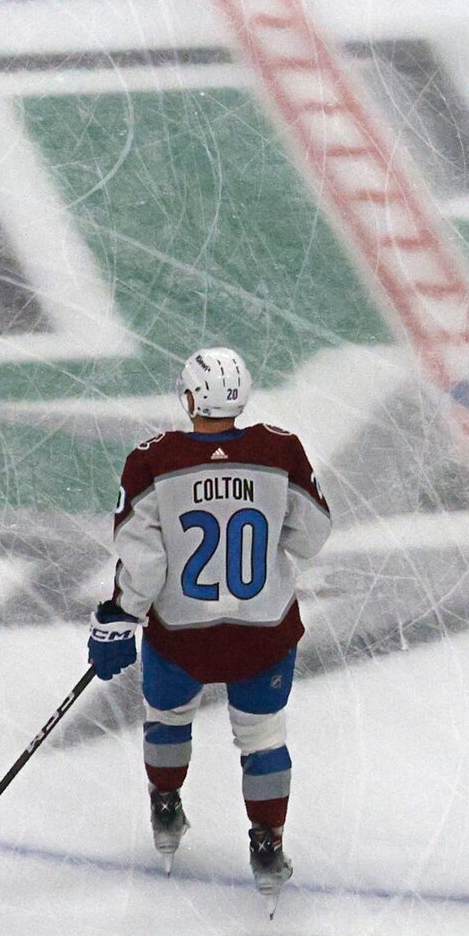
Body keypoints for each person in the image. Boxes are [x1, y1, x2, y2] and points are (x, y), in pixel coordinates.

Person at [85, 348, 332, 900]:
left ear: (192, 396)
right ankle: (268, 842)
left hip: (182, 634)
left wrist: (120, 616)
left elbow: (145, 562)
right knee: (263, 738)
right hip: (263, 632)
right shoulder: (279, 449)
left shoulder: (153, 461)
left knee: (167, 717)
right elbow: (311, 538)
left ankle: (166, 807)